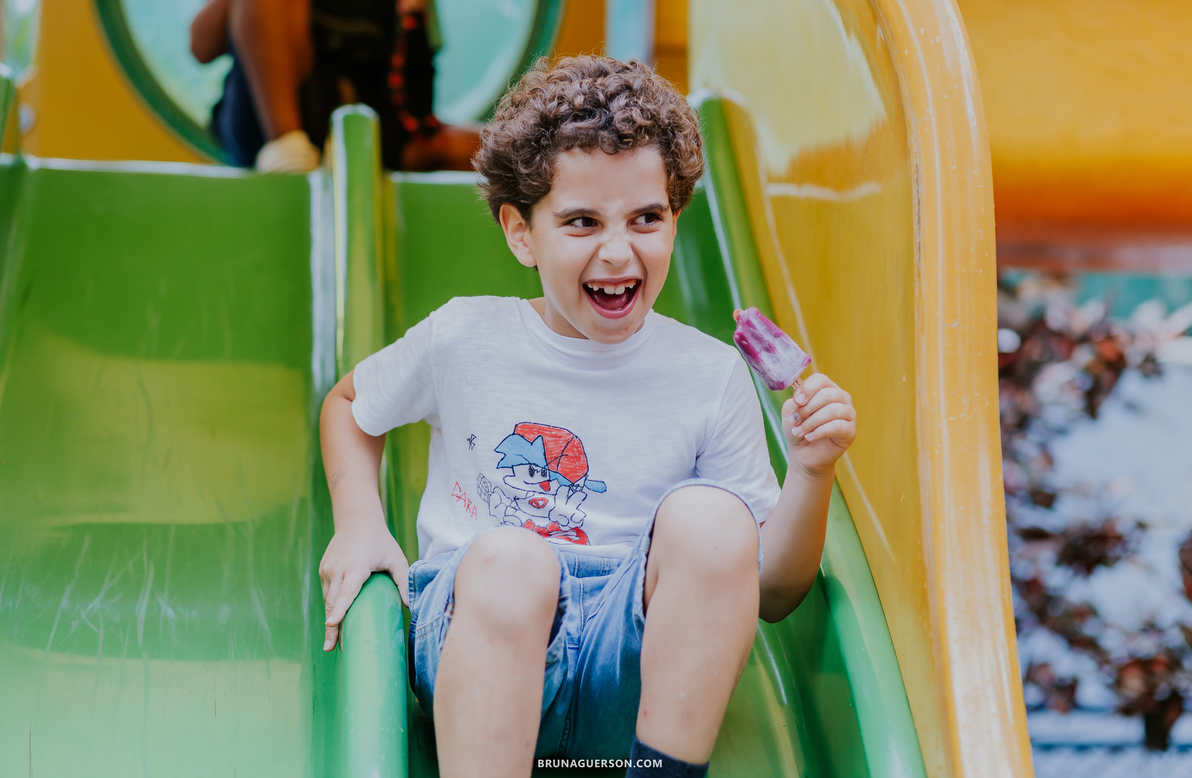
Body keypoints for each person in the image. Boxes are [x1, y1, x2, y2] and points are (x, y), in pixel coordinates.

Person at [317, 56, 858, 778]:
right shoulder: (466, 338)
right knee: (512, 560)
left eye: (646, 218)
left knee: (714, 518)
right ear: (521, 233)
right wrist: (359, 523)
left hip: (628, 659)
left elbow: (773, 592)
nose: (617, 249)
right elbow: (351, 404)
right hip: (478, 637)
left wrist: (812, 471)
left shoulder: (709, 374)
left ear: (674, 219)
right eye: (581, 221)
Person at [189, 0, 480, 172]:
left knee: (497, 149)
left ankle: (340, 152)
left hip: (365, 122)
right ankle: (288, 147)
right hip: (270, 120)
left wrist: (415, 8)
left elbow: (417, 99)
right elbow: (201, 48)